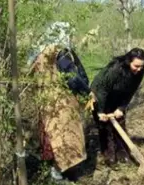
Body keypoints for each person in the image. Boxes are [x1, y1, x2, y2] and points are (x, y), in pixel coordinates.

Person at [31, 45, 89, 181]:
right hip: (63, 104)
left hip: (46, 103)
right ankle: (63, 173)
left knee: (51, 137)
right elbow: (73, 78)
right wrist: (87, 92)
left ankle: (55, 171)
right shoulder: (61, 54)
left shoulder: (38, 54)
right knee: (67, 137)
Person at [90, 47, 144, 166]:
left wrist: (121, 107)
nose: (139, 69)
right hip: (100, 95)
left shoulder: (140, 72)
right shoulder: (116, 69)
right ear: (128, 61)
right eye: (136, 66)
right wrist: (100, 111)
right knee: (104, 127)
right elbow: (102, 90)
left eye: (141, 66)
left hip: (118, 97)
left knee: (120, 123)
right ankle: (109, 156)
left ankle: (122, 153)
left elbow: (131, 91)